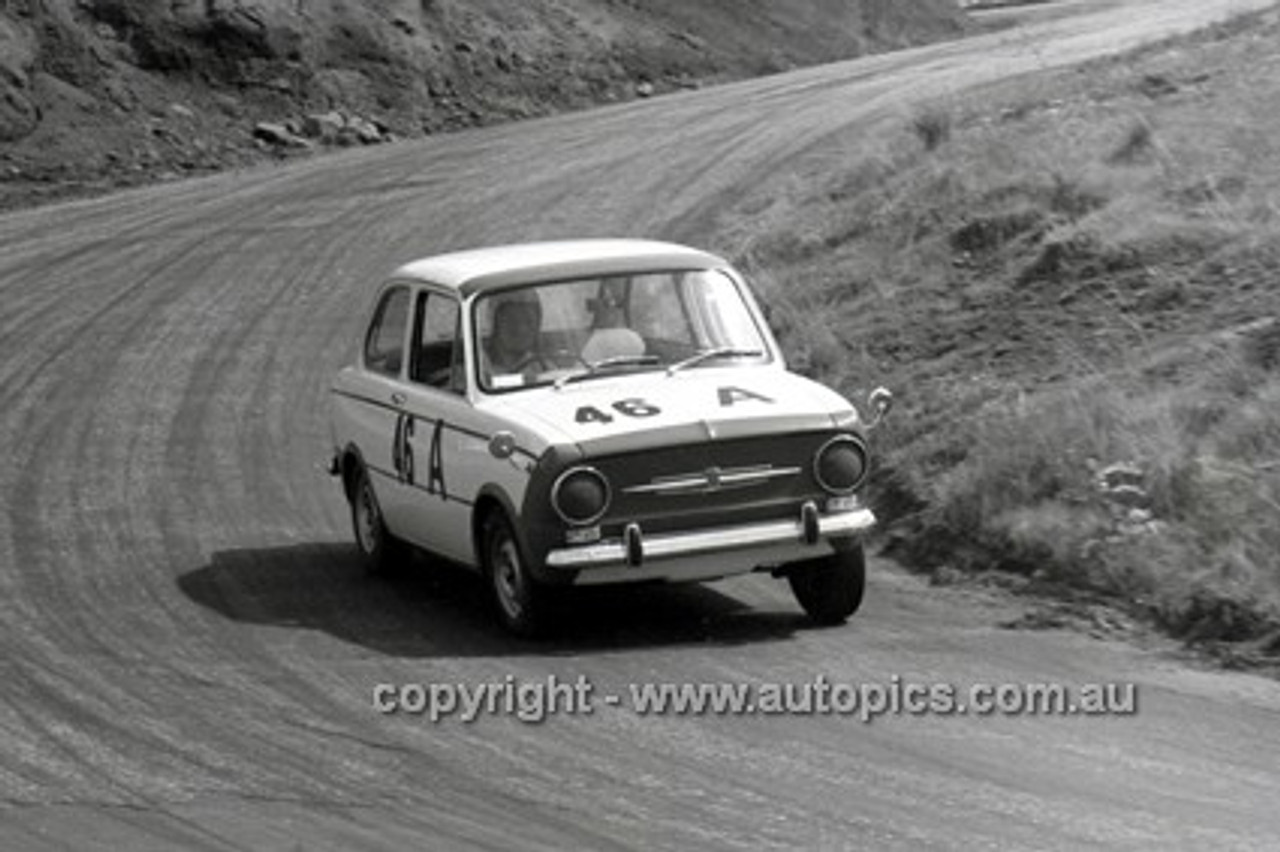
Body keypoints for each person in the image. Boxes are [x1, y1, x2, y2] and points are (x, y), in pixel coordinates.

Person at [484, 290, 546, 384]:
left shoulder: (546, 368)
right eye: (512, 321)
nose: (521, 329)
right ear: (495, 324)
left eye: (529, 321)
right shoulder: (477, 369)